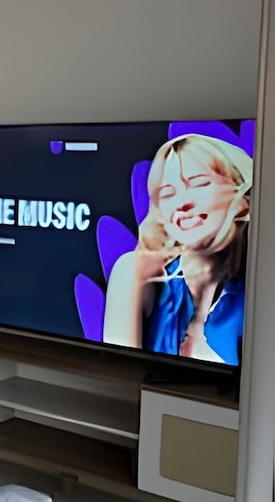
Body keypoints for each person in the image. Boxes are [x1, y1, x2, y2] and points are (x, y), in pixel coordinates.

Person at [103, 134, 252, 364]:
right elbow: (119, 378)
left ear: (241, 194)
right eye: (168, 193)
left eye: (200, 183)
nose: (182, 204)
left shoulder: (256, 292)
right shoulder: (135, 272)